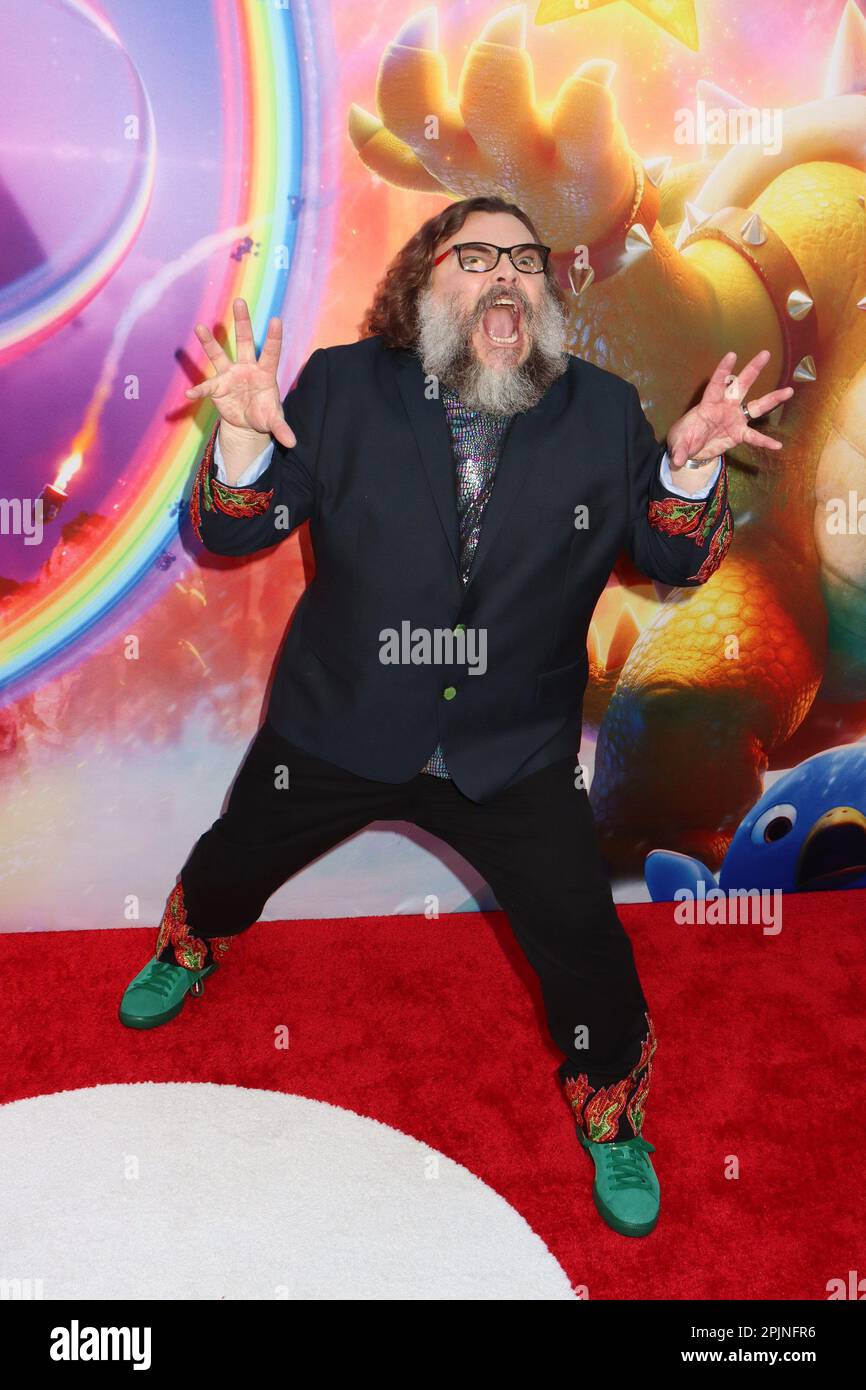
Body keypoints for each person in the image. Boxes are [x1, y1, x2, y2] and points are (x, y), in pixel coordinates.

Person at [119, 196, 792, 1237]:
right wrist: (244, 445)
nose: (502, 275)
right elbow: (234, 531)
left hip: (509, 752)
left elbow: (670, 559)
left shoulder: (603, 409)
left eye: (523, 259)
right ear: (419, 285)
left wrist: (690, 464)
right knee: (235, 855)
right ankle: (190, 942)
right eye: (471, 256)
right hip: (339, 720)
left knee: (584, 948)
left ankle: (610, 1103)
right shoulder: (342, 386)